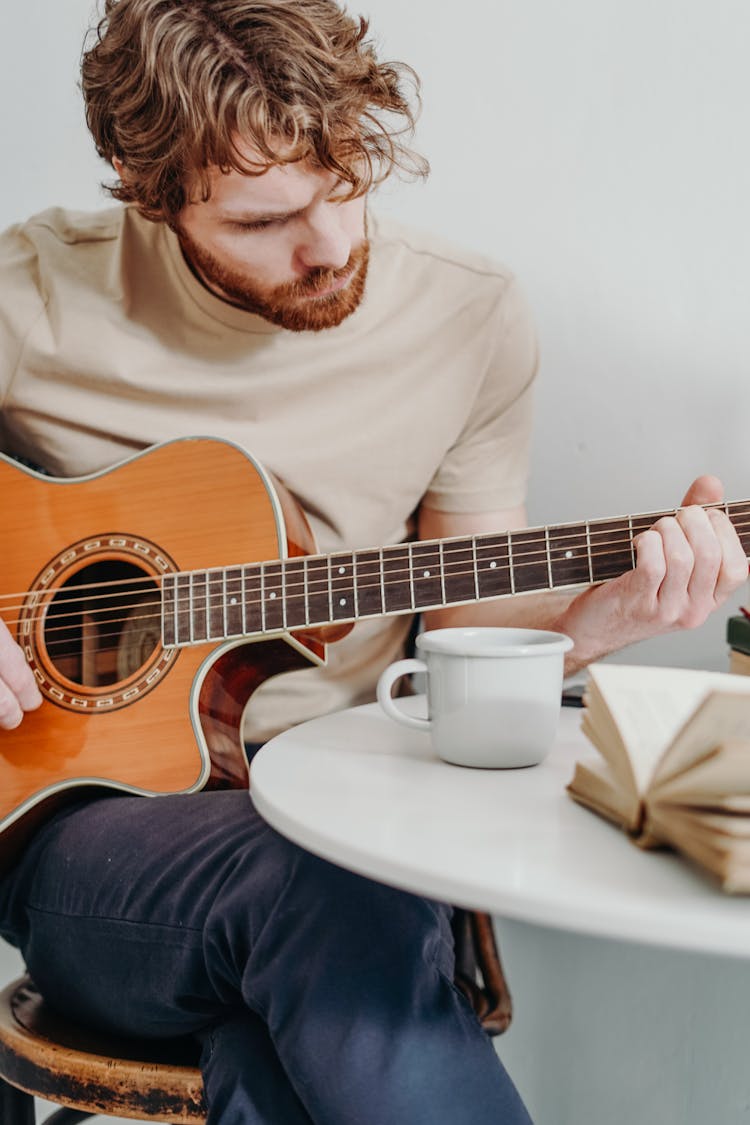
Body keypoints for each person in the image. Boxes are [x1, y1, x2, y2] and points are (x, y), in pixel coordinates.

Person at [0, 2, 746, 1122]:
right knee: (329, 888)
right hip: (88, 835)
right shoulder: (29, 297)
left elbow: (464, 646)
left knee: (296, 1016)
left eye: (347, 183)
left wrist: (611, 620)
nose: (331, 245)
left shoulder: (469, 315)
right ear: (141, 184)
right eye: (263, 221)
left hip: (356, 817)